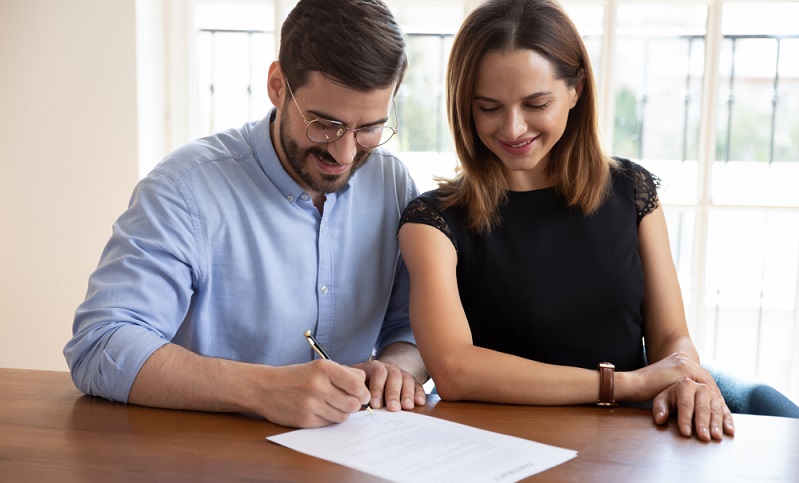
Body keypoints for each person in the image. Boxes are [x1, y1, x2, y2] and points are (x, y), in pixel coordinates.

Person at [398, 0, 796, 443]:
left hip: (634, 441)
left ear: (576, 90)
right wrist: (623, 384)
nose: (512, 128)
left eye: (536, 103)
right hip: (501, 445)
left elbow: (670, 339)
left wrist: (686, 377)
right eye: (488, 107)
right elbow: (454, 371)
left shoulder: (632, 191)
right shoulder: (432, 221)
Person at [64, 0, 428, 429]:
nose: (344, 152)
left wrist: (396, 368)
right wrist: (264, 390)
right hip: (207, 458)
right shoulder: (184, 190)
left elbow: (413, 326)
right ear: (278, 85)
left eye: (368, 128)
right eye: (324, 124)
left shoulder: (392, 184)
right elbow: (100, 345)